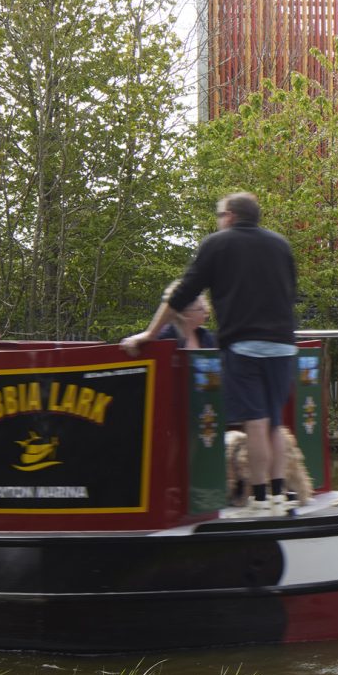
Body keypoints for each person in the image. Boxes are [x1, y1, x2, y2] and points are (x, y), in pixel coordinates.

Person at [123, 192, 298, 516]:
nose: (219, 221)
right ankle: (279, 497)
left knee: (256, 423)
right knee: (275, 423)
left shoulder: (217, 244)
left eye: (219, 216)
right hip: (284, 345)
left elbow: (182, 293)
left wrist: (150, 334)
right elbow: (291, 292)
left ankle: (259, 501)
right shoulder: (280, 244)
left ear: (230, 215)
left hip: (244, 345)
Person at [154, 280, 217, 349]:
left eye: (205, 306)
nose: (206, 311)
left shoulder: (206, 336)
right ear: (185, 313)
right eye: (200, 309)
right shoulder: (164, 338)